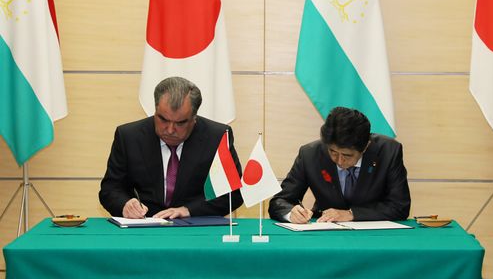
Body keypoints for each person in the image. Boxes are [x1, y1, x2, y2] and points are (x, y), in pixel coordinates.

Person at [99, 76, 243, 219]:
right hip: (145, 228)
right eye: (163, 119)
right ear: (155, 111)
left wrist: (188, 210)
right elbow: (110, 189)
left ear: (194, 119)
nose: (170, 130)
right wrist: (125, 204)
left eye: (180, 123)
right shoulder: (129, 137)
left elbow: (233, 194)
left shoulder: (217, 137)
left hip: (195, 228)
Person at [268, 106, 410, 224]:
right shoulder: (310, 154)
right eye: (333, 152)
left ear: (366, 146)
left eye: (347, 155)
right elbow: (280, 201)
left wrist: (351, 214)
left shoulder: (388, 152)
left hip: (374, 236)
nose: (339, 161)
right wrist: (291, 213)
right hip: (325, 232)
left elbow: (399, 206)